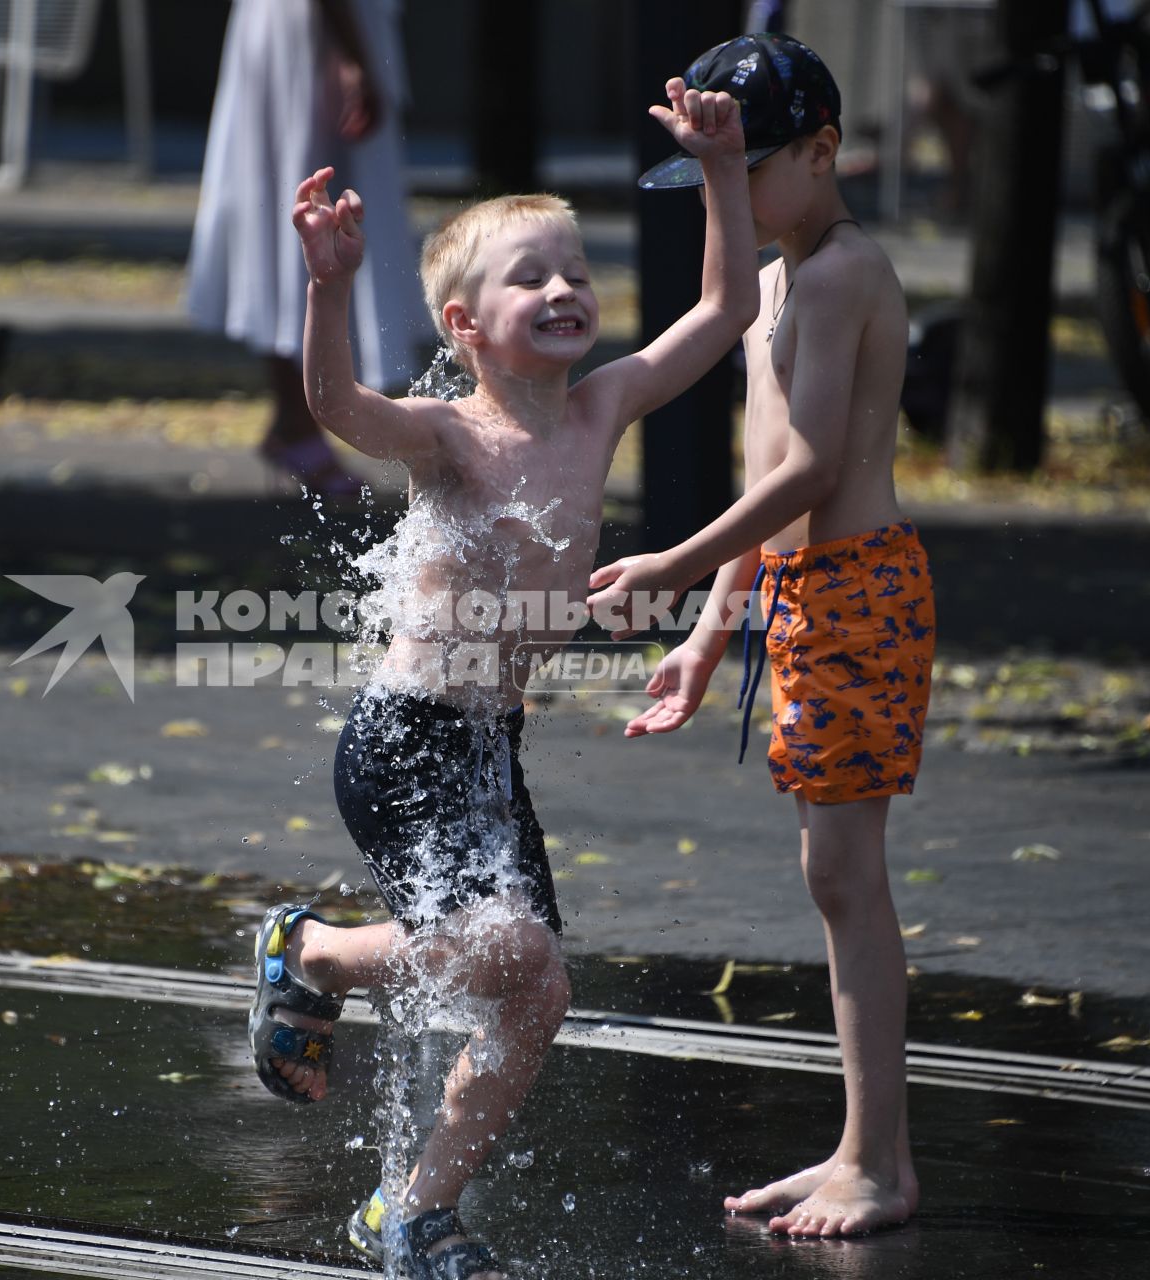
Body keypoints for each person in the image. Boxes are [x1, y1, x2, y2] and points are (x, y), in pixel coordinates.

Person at [244, 85, 759, 1280]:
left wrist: (722, 172)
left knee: (537, 988)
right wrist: (327, 286)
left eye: (575, 269)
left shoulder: (604, 404)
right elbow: (336, 407)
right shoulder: (450, 434)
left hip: (489, 744)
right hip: (406, 737)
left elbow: (726, 307)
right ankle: (311, 949)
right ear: (467, 324)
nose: (565, 289)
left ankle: (415, 1208)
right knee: (506, 945)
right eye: (532, 278)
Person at [594, 33, 935, 1238]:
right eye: (705, 185)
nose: (720, 204)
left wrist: (677, 563)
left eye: (739, 176)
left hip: (857, 594)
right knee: (832, 873)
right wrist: (708, 625)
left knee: (846, 874)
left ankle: (876, 1161)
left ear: (822, 152)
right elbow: (764, 472)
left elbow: (815, 469)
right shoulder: (780, 280)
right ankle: (863, 1146)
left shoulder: (842, 273)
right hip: (801, 598)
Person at [186, 0, 427, 496]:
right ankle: (300, 421)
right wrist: (351, 52)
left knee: (298, 206)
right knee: (304, 206)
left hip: (310, 29)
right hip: (315, 33)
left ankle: (297, 420)